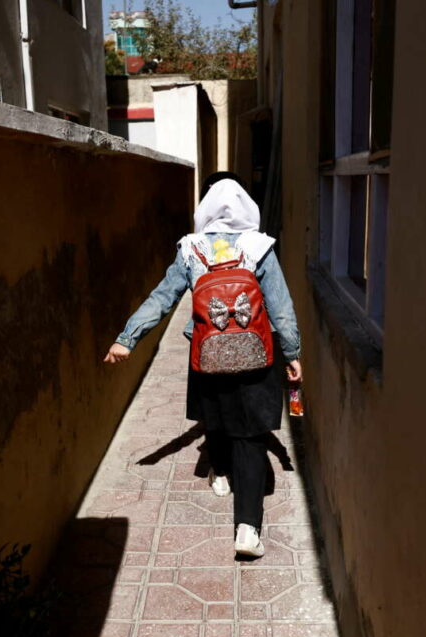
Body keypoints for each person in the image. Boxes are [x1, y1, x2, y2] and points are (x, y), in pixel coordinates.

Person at [103, 172, 302, 557]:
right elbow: (281, 309)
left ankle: (220, 473)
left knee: (216, 416)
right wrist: (292, 354)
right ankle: (247, 529)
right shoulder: (260, 248)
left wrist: (127, 339)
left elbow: (162, 297)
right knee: (251, 435)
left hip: (207, 352)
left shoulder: (190, 249)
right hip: (255, 355)